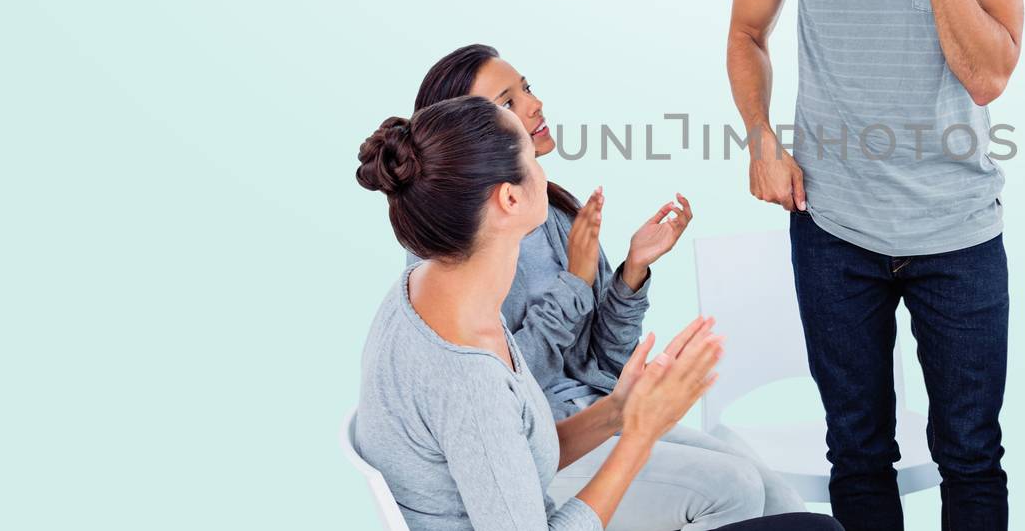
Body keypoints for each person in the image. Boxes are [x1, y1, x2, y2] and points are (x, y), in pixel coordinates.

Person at [725, 0, 1024, 528]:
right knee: (857, 451)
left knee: (971, 452)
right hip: (833, 227)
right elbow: (746, 31)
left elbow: (989, 76)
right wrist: (761, 138)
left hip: (957, 228)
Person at [352, 95, 842, 531]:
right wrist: (640, 437)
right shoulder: (466, 374)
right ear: (509, 197)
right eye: (530, 159)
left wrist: (617, 412)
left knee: (787, 506)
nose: (543, 170)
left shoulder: (443, 290)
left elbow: (517, 458)